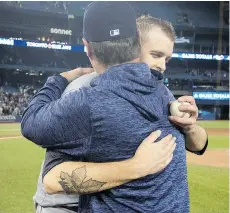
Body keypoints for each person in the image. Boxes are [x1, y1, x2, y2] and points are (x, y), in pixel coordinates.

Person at [21, 2, 208, 213]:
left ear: (87, 46)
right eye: (156, 55)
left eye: (166, 58)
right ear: (135, 46)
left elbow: (33, 130)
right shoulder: (160, 92)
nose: (162, 66)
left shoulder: (88, 99)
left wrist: (59, 79)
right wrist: (135, 167)